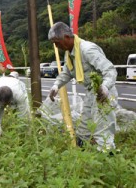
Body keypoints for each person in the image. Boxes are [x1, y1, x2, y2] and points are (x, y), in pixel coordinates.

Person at [47, 22, 118, 152]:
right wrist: (56, 85)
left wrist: (105, 87)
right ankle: (83, 159)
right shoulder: (69, 54)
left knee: (103, 129)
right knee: (84, 130)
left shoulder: (87, 50)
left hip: (104, 93)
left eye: (57, 42)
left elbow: (110, 70)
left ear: (67, 37)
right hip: (91, 93)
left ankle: (108, 158)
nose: (56, 46)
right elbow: (67, 73)